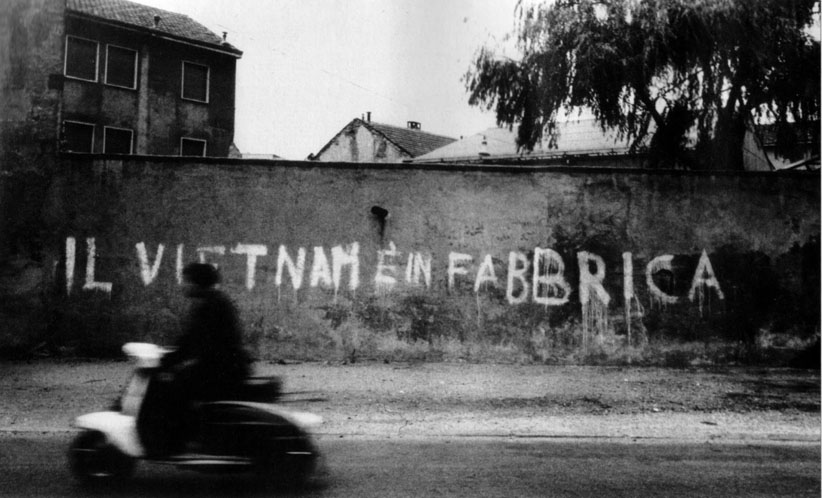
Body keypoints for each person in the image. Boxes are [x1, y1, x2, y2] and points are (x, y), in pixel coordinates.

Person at [138, 262, 251, 456]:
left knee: (172, 386)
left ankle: (180, 440)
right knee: (176, 381)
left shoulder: (211, 306)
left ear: (198, 283)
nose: (183, 285)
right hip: (224, 366)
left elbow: (193, 344)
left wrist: (166, 362)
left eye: (187, 281)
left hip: (223, 369)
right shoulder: (212, 302)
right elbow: (189, 341)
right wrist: (168, 358)